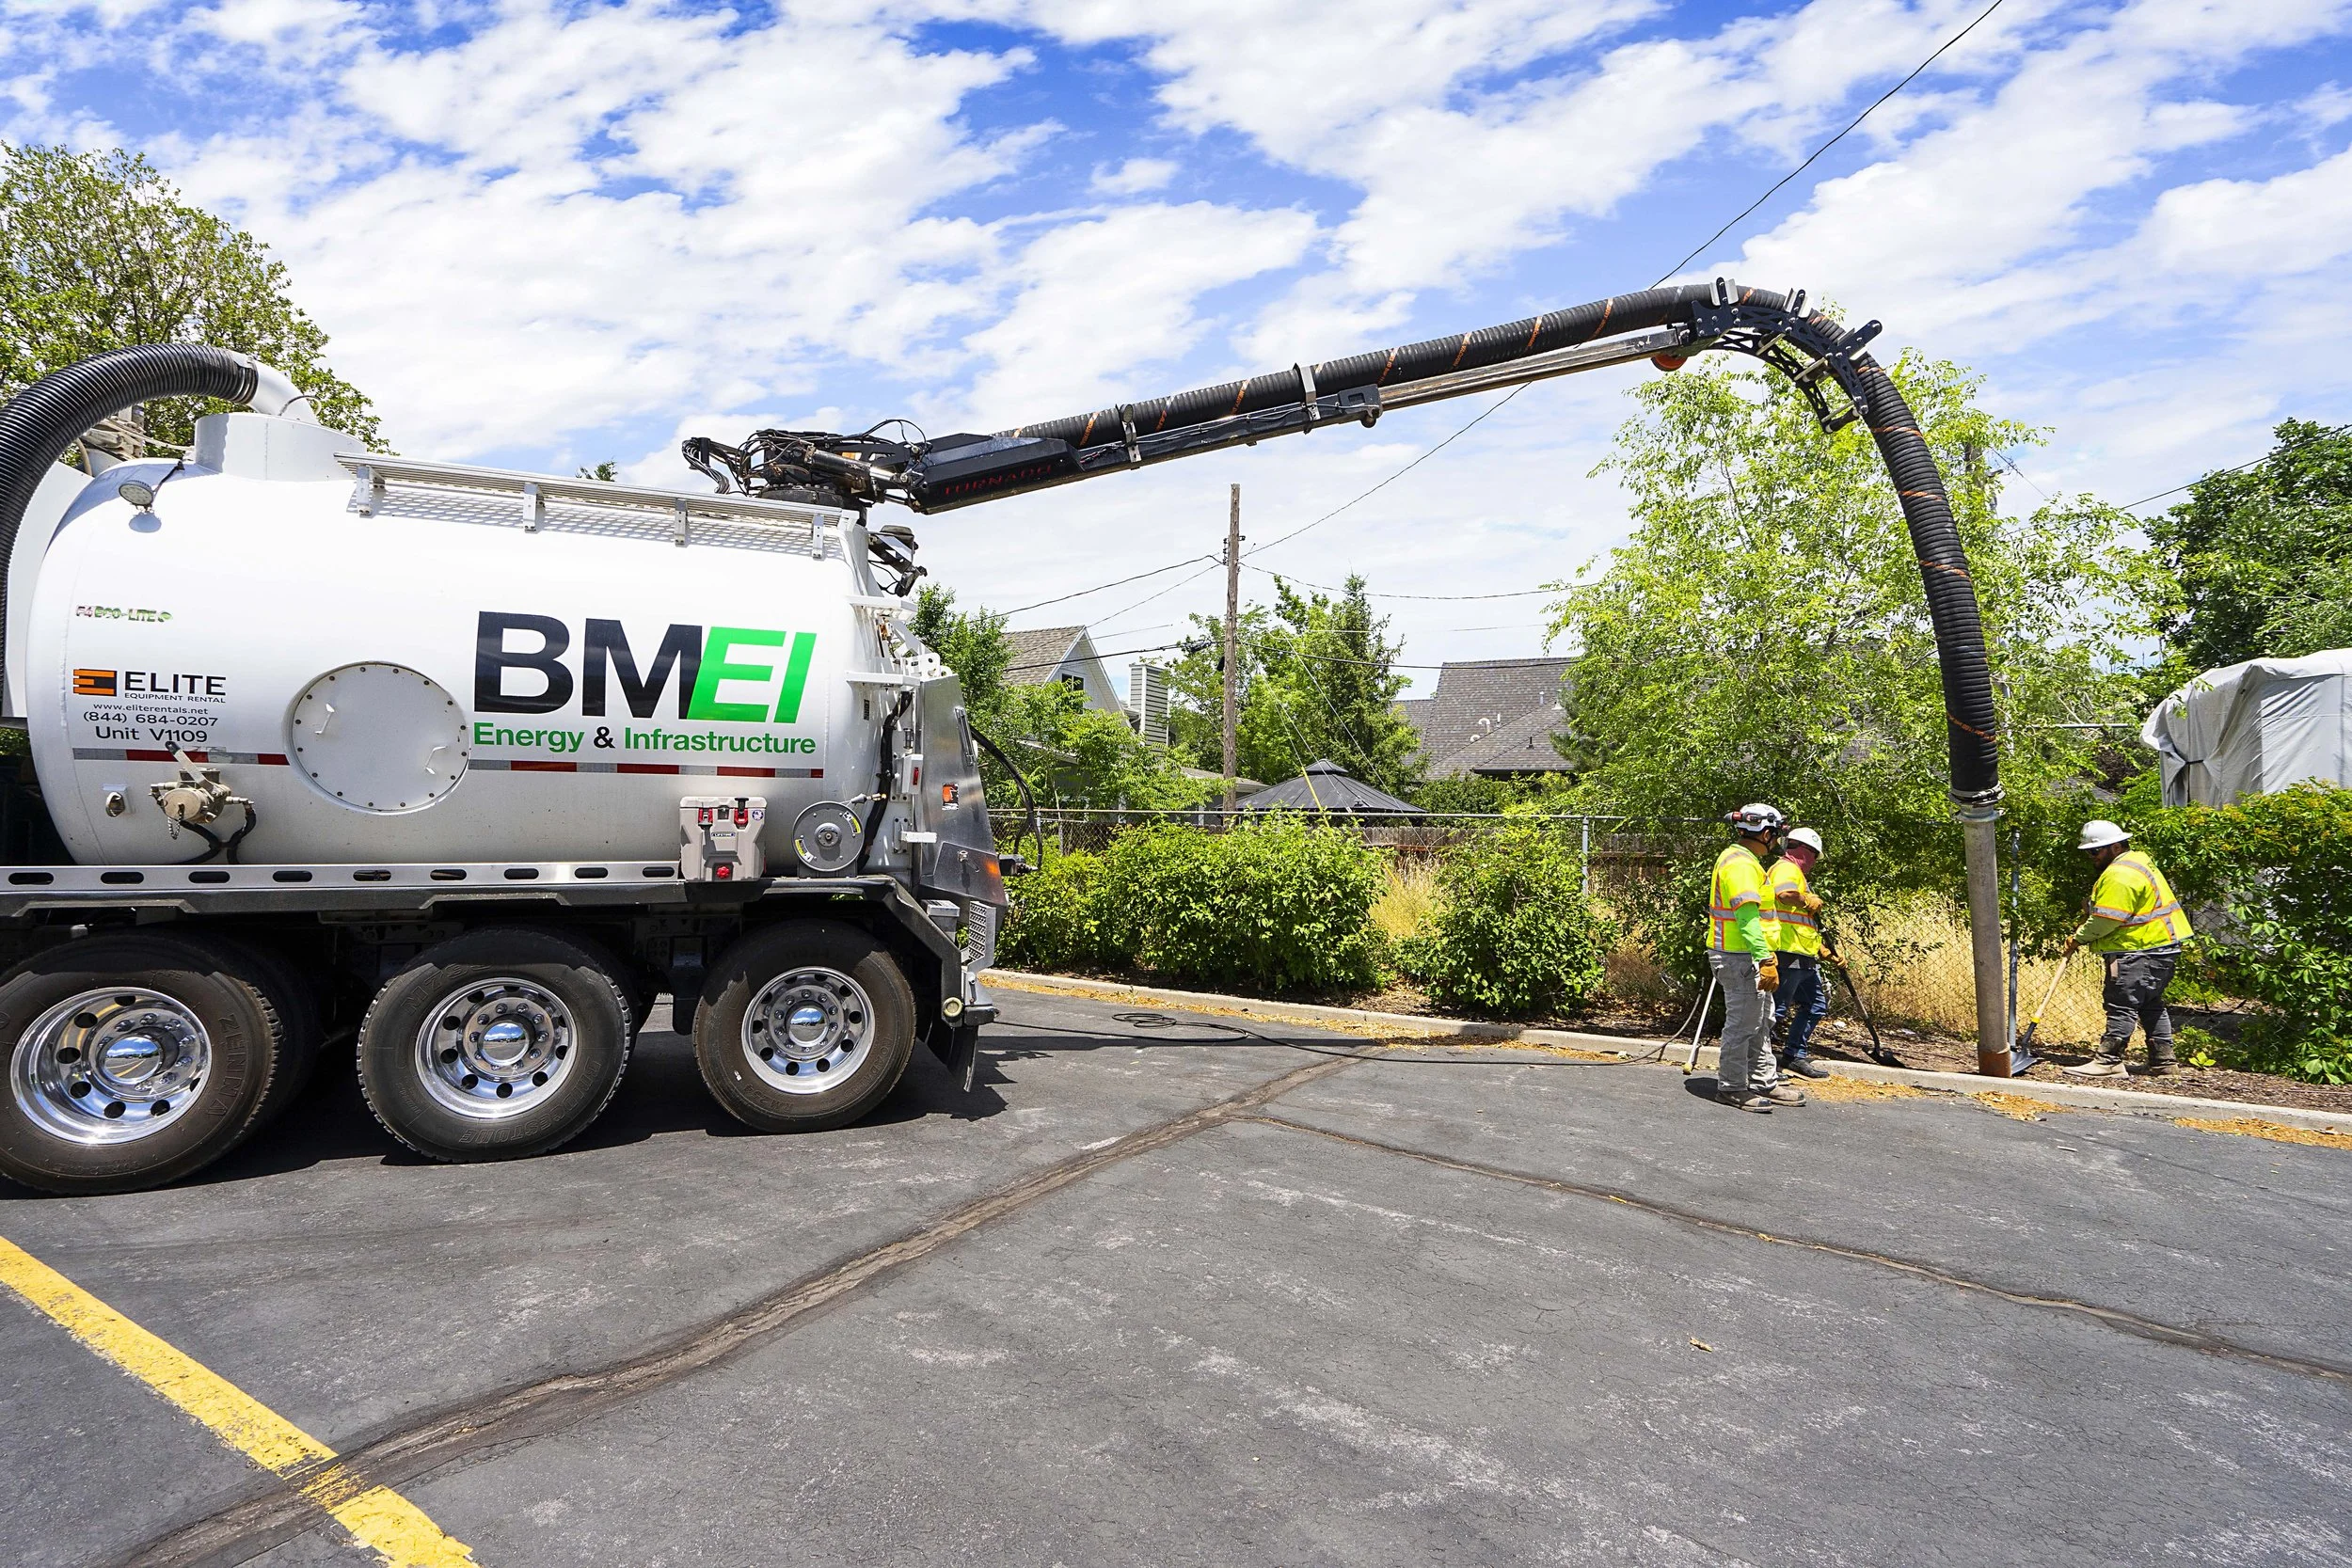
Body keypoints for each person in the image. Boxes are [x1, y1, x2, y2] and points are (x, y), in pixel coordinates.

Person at [2060, 819, 2193, 1079]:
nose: (2091, 857)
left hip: (2137, 949)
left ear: (2116, 846)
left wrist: (2078, 938)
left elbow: (2107, 919)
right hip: (2160, 946)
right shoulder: (2139, 862)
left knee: (2121, 1002)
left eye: (2095, 851)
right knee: (2150, 1003)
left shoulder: (2120, 874)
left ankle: (2109, 1061)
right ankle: (2164, 1062)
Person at [1708, 802, 1804, 1112]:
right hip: (1740, 958)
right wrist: (1765, 960)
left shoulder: (1747, 860)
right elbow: (1747, 919)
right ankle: (1732, 1086)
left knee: (1762, 1021)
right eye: (1775, 835)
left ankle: (1763, 1081)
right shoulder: (1740, 865)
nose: (1777, 841)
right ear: (1765, 834)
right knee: (1742, 1024)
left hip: (1750, 955)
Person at [1766, 826, 1836, 1080]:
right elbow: (1784, 895)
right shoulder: (1787, 868)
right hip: (1786, 954)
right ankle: (1763, 1063)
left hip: (1803, 955)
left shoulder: (1796, 873)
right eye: (1814, 856)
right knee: (1777, 1010)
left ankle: (1794, 1055)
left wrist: (1822, 950)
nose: (1814, 863)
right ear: (1806, 851)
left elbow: (1801, 923)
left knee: (1815, 1005)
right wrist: (1807, 900)